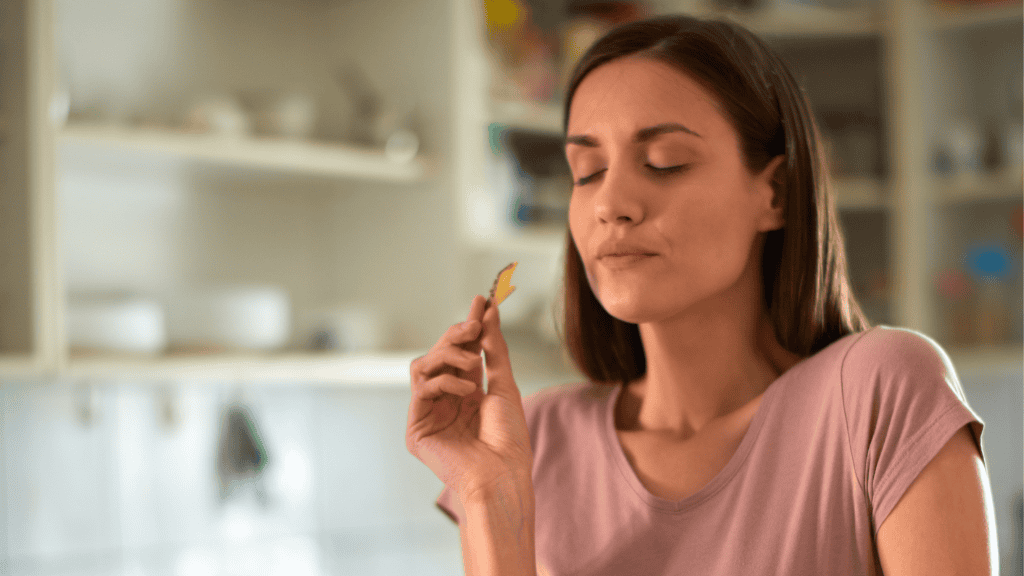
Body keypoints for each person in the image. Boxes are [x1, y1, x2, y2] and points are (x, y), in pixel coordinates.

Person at [406, 13, 998, 576]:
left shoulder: (879, 392)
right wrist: (487, 496)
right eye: (586, 172)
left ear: (776, 194)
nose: (611, 204)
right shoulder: (539, 441)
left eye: (664, 162)